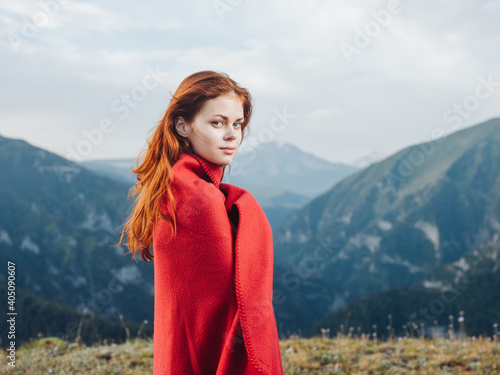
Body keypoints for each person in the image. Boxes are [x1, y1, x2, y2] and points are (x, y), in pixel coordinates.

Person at [119, 70, 284, 374]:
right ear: (183, 126)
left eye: (238, 124)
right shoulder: (199, 198)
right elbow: (228, 314)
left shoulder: (173, 185)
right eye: (217, 123)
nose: (232, 134)